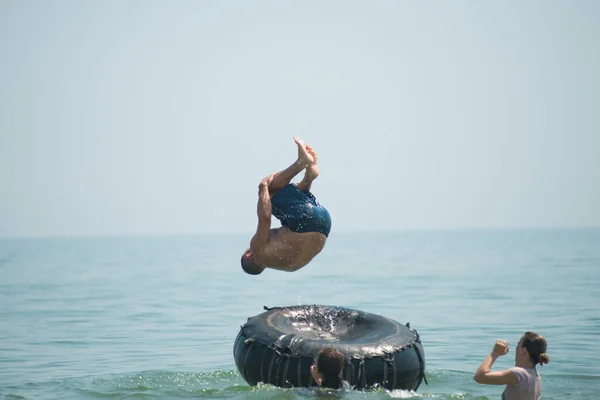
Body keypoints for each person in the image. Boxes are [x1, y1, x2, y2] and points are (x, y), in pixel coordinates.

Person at [240, 137, 331, 275]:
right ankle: (301, 163)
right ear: (249, 255)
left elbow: (306, 220)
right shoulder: (256, 251)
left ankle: (309, 176)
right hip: (304, 220)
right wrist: (263, 188)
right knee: (270, 191)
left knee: (296, 203)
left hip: (324, 225)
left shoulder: (287, 266)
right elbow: (265, 219)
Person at [474, 331, 550, 400]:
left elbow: (479, 377)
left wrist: (494, 353)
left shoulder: (519, 374)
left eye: (518, 345)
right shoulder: (536, 377)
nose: (516, 349)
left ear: (523, 350)